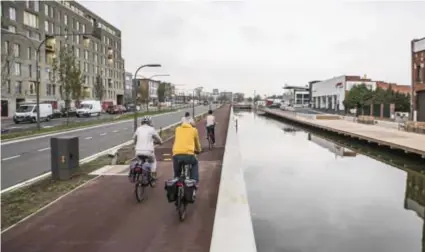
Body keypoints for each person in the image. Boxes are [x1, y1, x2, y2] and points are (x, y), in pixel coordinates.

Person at [172, 120, 202, 187]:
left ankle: (176, 178)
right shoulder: (194, 130)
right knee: (195, 163)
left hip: (176, 154)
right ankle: (195, 180)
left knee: (177, 173)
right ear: (191, 124)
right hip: (188, 154)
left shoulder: (177, 129)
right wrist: (199, 150)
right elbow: (197, 143)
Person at [132, 116, 162, 180]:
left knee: (139, 161)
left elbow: (134, 139)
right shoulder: (152, 129)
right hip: (148, 151)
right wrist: (160, 142)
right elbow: (159, 139)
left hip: (138, 151)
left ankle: (138, 175)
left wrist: (136, 144)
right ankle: (153, 174)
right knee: (153, 161)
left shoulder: (138, 129)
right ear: (150, 122)